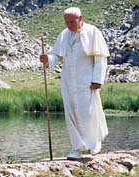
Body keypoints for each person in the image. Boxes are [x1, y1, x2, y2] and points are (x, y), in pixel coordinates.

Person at [40, 7, 109, 160]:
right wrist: (48, 59)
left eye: (72, 21)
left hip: (86, 80)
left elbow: (100, 58)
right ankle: (76, 148)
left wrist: (98, 79)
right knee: (71, 114)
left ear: (80, 19)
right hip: (68, 81)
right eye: (67, 22)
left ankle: (94, 143)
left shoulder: (93, 32)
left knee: (88, 113)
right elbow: (56, 55)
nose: (69, 24)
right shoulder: (64, 35)